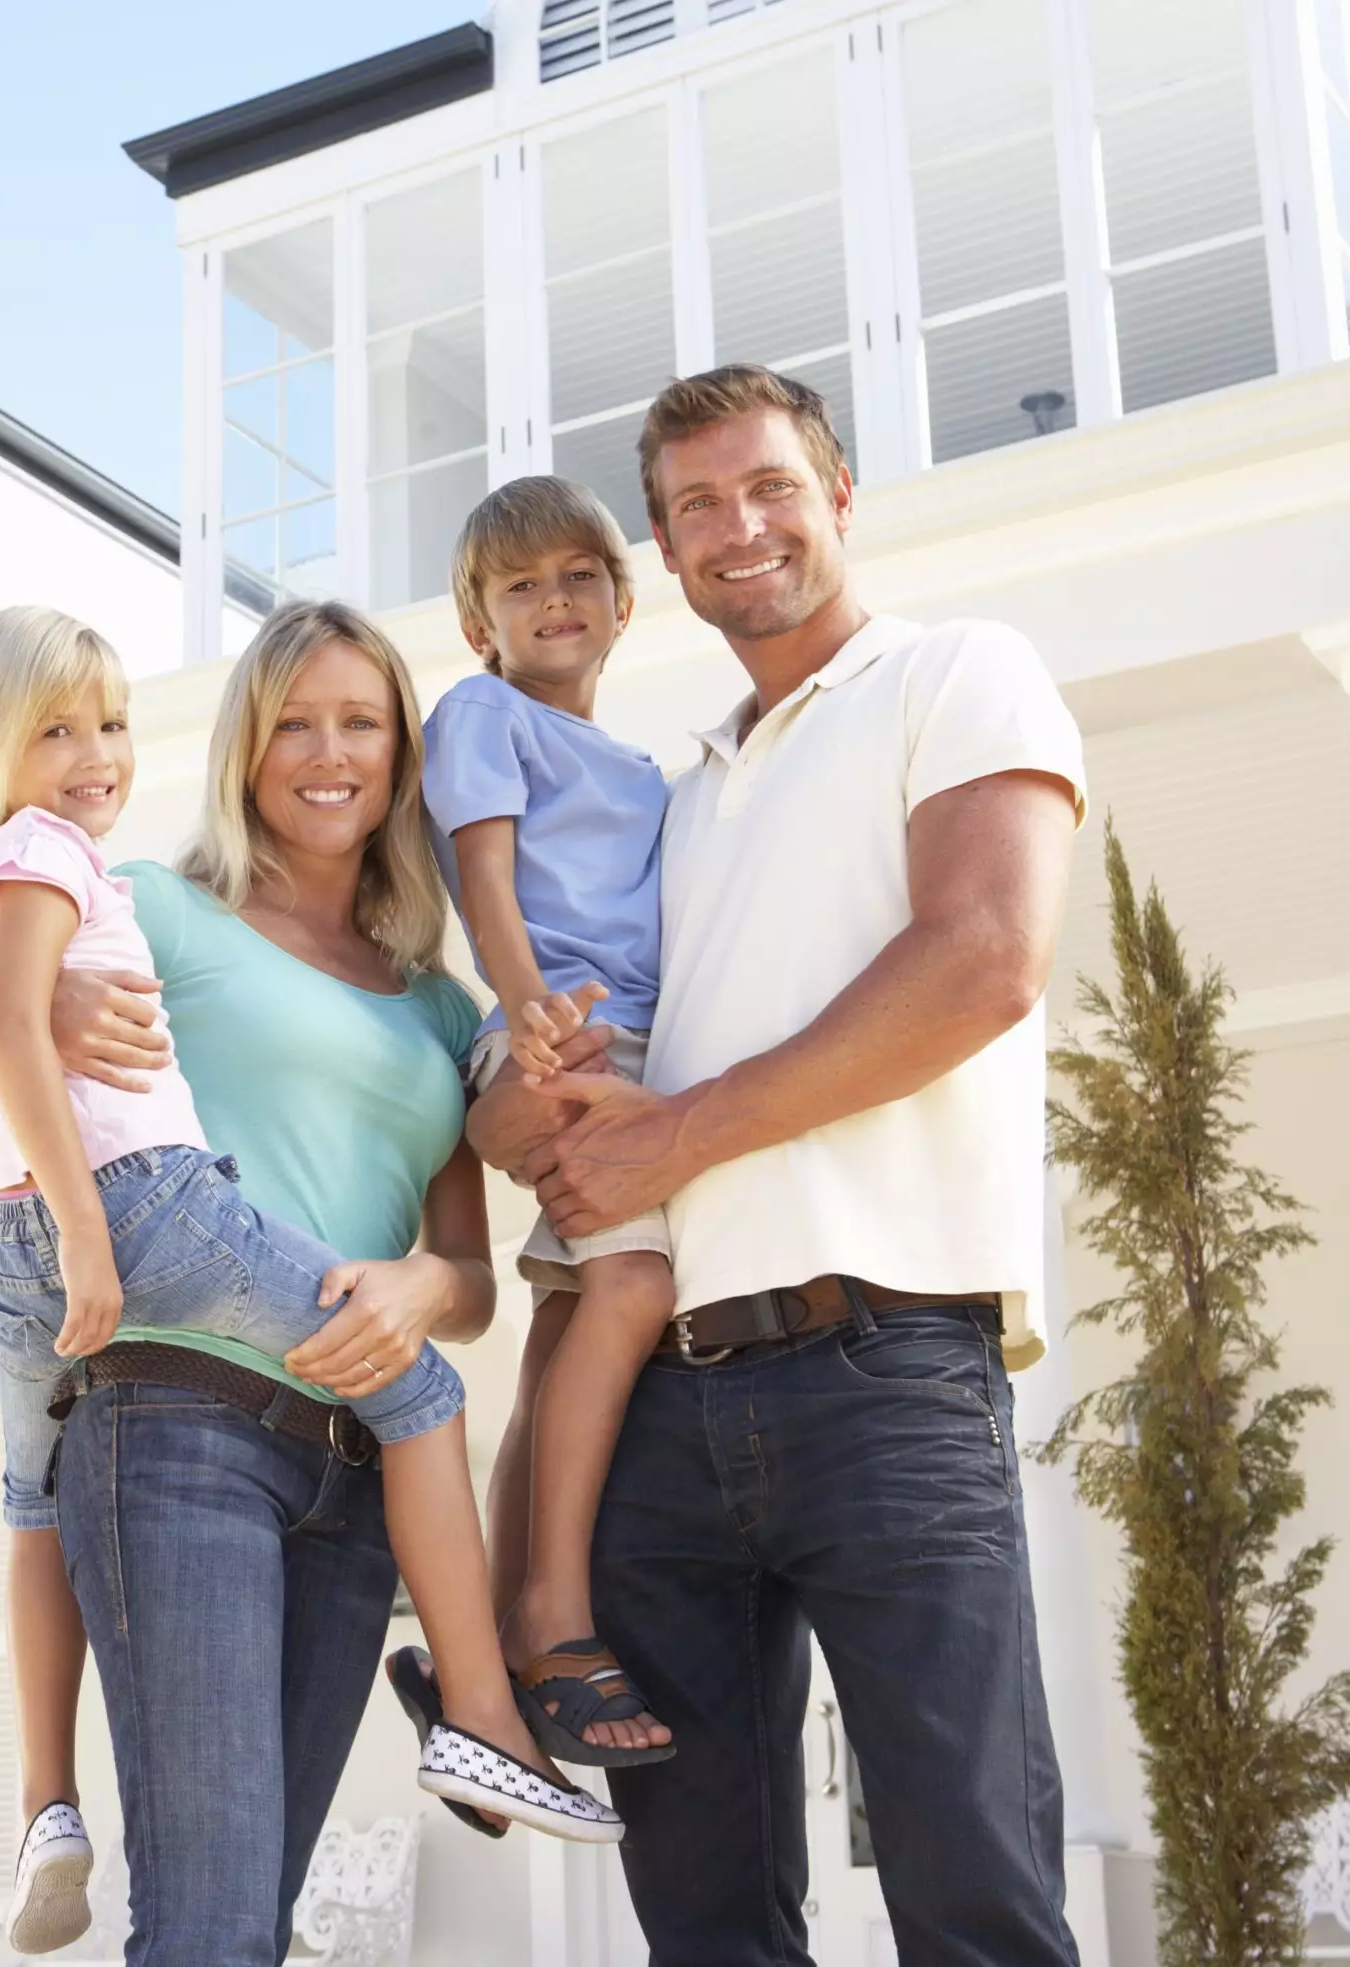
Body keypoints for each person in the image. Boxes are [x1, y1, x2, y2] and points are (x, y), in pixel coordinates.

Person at [470, 364, 1088, 1966]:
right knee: (707, 1923)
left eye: (768, 488)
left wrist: (679, 1130)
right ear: (664, 556)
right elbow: (565, 1076)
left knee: (973, 1891)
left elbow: (985, 959)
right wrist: (514, 1107)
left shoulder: (955, 675)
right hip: (659, 1409)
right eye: (695, 507)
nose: (737, 527)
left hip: (884, 1368)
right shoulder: (671, 799)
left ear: (840, 497)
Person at [0, 600, 611, 1967]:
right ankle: (477, 1721)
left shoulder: (436, 1005)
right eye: (295, 721)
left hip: (351, 1474)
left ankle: (471, 1726)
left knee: (248, 1926)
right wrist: (22, 1013)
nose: (329, 752)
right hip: (179, 1430)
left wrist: (416, 1288)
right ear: (244, 747)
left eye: (362, 722)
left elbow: (465, 1271)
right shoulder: (149, 903)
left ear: (401, 755)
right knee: (211, 1923)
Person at [417, 477, 678, 1767]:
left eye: (578, 575)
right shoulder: (482, 713)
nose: (553, 601)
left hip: (638, 1049)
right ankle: (555, 1613)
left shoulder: (643, 767)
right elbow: (486, 878)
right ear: (481, 624)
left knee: (573, 1315)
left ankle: (495, 1646)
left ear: (623, 603)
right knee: (631, 1285)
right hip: (567, 1035)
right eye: (518, 587)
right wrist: (528, 1012)